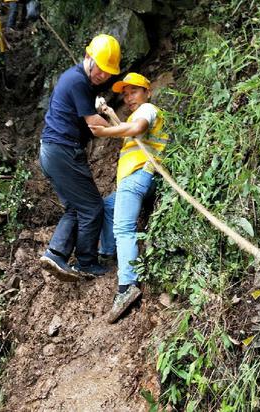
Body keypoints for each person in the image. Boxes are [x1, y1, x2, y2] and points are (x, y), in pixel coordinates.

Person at [39, 34, 121, 281]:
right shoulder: (77, 81)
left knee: (76, 207)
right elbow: (95, 125)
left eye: (108, 73)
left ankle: (55, 254)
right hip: (62, 151)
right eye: (101, 69)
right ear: (88, 57)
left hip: (52, 152)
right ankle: (86, 261)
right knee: (93, 207)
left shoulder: (79, 82)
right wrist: (125, 130)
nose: (103, 76)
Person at [89, 73, 170, 323]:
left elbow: (137, 128)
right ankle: (108, 252)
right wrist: (107, 113)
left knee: (124, 228)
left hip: (137, 177)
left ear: (147, 91)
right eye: (125, 93)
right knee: (106, 206)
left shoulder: (148, 109)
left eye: (133, 91)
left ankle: (127, 287)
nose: (128, 97)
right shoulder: (136, 113)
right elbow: (128, 127)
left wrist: (104, 131)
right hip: (140, 179)